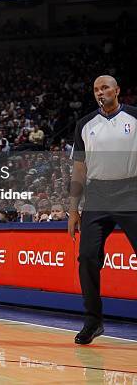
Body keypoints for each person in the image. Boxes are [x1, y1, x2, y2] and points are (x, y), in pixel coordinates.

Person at [69, 75, 137, 345]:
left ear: (117, 91)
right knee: (86, 258)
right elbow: (78, 169)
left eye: (106, 87)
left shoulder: (134, 117)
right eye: (96, 88)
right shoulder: (84, 124)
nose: (101, 92)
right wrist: (73, 209)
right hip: (97, 194)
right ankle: (93, 321)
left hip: (131, 191)